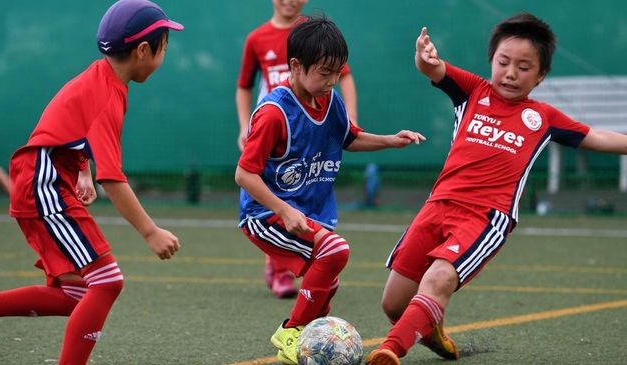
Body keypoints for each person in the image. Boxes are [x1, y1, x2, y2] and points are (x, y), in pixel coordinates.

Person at [366, 13, 627, 365]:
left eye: (524, 67)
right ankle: (430, 329)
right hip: (437, 206)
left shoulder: (543, 117)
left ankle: (390, 350)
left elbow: (596, 136)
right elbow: (433, 69)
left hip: (486, 217)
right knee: (394, 304)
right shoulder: (473, 90)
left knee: (439, 277)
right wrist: (423, 57)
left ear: (540, 76)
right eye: (504, 62)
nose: (511, 73)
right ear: (492, 61)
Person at [0, 1, 183, 364]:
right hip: (45, 186)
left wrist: (81, 170)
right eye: (165, 46)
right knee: (107, 281)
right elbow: (113, 178)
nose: (165, 53)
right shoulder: (109, 95)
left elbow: (72, 129)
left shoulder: (104, 76)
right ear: (143, 51)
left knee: (76, 294)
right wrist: (150, 231)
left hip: (44, 181)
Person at [236, 16, 425, 364]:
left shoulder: (331, 101)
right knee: (335, 251)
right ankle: (290, 332)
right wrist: (283, 210)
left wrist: (390, 141)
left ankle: (308, 344)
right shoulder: (274, 113)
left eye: (337, 72)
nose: (332, 80)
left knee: (329, 280)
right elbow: (244, 175)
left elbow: (349, 138)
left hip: (306, 213)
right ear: (296, 66)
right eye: (324, 72)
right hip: (265, 216)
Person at [236, 0, 360, 299]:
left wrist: (350, 121)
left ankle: (301, 307)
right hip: (281, 125)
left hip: (310, 121)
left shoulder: (317, 35)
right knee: (277, 195)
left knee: (300, 195)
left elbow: (343, 75)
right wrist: (244, 125)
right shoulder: (258, 39)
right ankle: (279, 269)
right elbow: (244, 85)